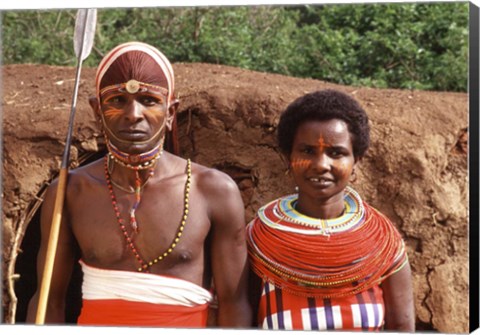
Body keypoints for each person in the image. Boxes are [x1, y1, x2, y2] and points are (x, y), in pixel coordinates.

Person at [27, 41, 251, 327]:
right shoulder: (70, 192)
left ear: (171, 113)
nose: (133, 114)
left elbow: (235, 303)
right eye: (117, 100)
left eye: (149, 100)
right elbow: (49, 300)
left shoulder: (213, 191)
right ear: (97, 111)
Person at [246, 89, 414, 331]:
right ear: (287, 158)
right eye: (307, 151)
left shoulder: (384, 245)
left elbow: (402, 327)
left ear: (356, 162)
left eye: (336, 153)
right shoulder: (258, 244)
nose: (321, 165)